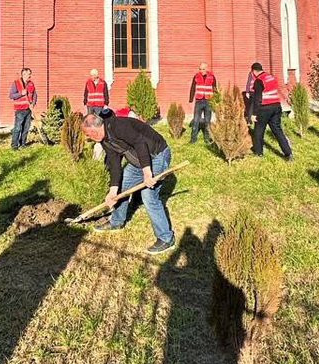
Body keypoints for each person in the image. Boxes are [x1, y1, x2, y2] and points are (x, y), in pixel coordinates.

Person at [81, 111, 175, 254]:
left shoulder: (119, 126)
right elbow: (114, 163)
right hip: (137, 162)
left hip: (157, 156)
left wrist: (147, 173)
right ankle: (116, 222)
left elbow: (140, 143)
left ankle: (166, 238)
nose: (88, 137)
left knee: (149, 196)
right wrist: (113, 191)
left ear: (94, 129)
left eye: (88, 134)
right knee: (122, 187)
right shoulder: (104, 140)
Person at [249, 61, 293, 160]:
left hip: (264, 108)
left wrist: (254, 114)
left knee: (259, 131)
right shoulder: (271, 77)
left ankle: (258, 153)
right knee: (277, 130)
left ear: (254, 71)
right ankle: (288, 153)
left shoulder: (259, 80)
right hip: (276, 106)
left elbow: (258, 98)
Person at [188, 62, 217, 143]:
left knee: (207, 121)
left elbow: (214, 88)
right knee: (196, 120)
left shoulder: (212, 76)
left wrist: (216, 101)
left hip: (208, 101)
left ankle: (207, 139)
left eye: (203, 69)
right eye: (200, 69)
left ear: (206, 69)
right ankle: (193, 139)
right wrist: (191, 99)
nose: (201, 71)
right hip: (199, 101)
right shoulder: (196, 76)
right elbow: (193, 87)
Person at [9, 67, 37, 150]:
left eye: (30, 74)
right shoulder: (16, 83)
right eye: (28, 74)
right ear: (23, 74)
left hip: (28, 109)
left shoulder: (31, 84)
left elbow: (35, 95)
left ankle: (23, 144)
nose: (30, 76)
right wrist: (21, 93)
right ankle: (14, 146)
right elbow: (11, 95)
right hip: (20, 110)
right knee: (17, 128)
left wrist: (33, 104)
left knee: (26, 128)